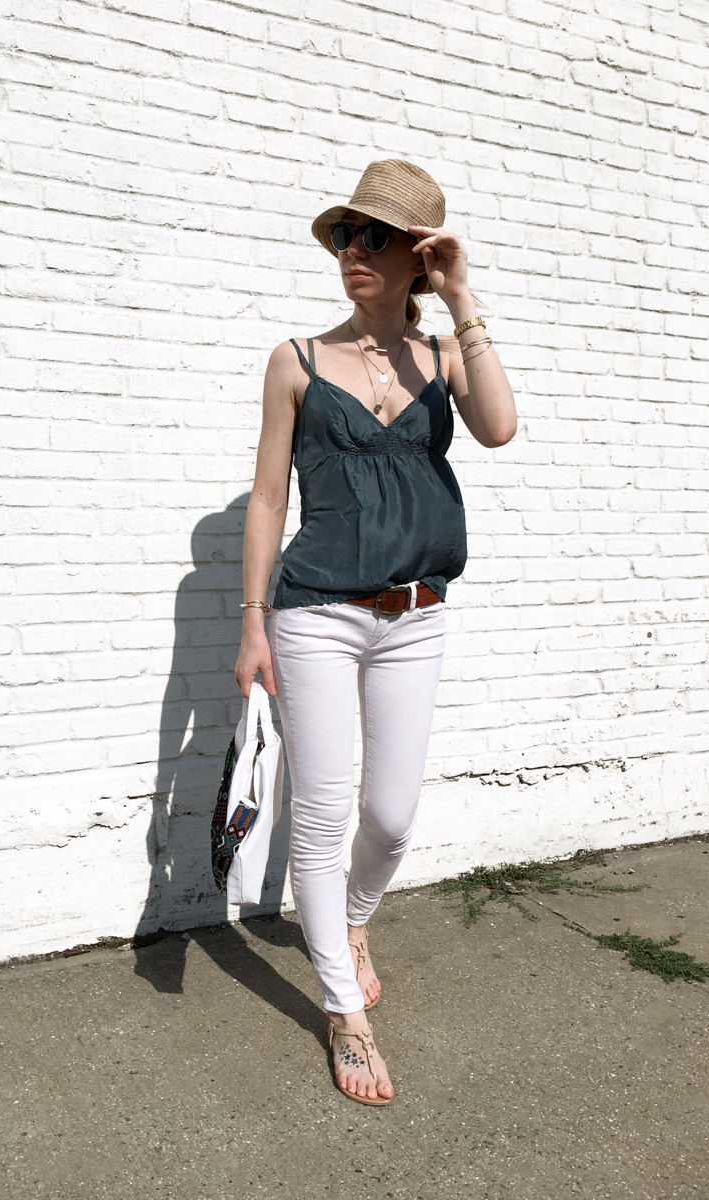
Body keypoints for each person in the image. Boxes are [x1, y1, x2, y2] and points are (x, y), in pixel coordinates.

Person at [234, 160, 517, 1106]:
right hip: (313, 611)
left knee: (391, 817)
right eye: (345, 236)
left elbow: (501, 428)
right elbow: (270, 496)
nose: (352, 252)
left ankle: (353, 921)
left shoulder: (440, 362)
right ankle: (343, 1011)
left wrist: (463, 294)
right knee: (320, 813)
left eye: (375, 238)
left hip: (415, 613)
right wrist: (253, 625)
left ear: (417, 257)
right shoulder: (298, 361)